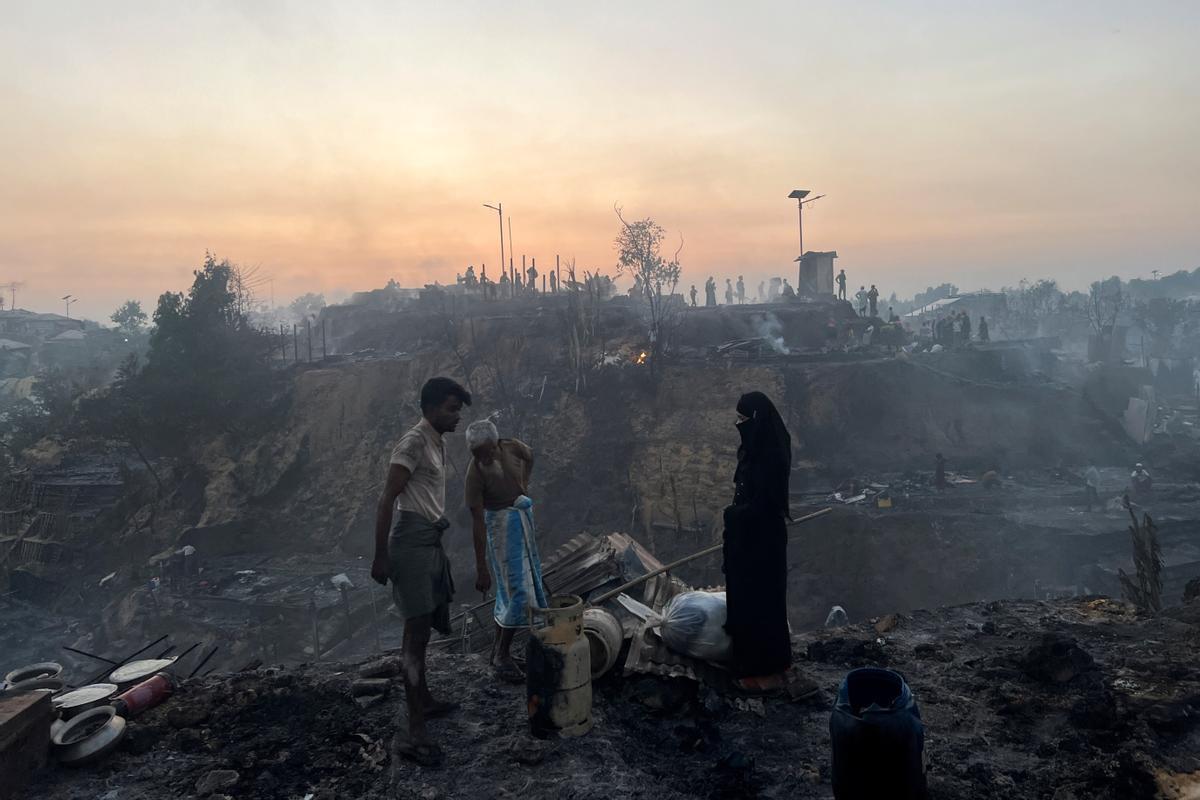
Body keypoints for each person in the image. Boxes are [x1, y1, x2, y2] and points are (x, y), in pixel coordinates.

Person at [371, 377, 475, 766]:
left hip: (429, 539)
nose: (457, 416)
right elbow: (386, 499)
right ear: (430, 409)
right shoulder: (413, 442)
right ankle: (413, 731)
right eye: (451, 408)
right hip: (410, 543)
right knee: (414, 636)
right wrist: (380, 556)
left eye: (458, 409)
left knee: (424, 626)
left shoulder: (437, 441)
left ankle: (425, 701)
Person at [464, 420, 547, 684]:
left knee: (512, 590)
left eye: (487, 451)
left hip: (520, 520)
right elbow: (477, 520)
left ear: (496, 444)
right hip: (500, 528)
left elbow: (529, 455)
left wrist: (524, 481)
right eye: (477, 453)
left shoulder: (511, 447)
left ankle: (499, 653)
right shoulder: (475, 473)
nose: (483, 457)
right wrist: (481, 566)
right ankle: (502, 655)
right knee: (517, 591)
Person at [723, 391, 793, 690]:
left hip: (761, 544)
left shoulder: (770, 457)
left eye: (743, 419)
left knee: (761, 605)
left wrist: (732, 515)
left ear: (757, 421)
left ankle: (763, 672)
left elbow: (763, 505)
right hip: (749, 541)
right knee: (752, 603)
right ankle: (764, 662)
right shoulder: (757, 448)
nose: (739, 424)